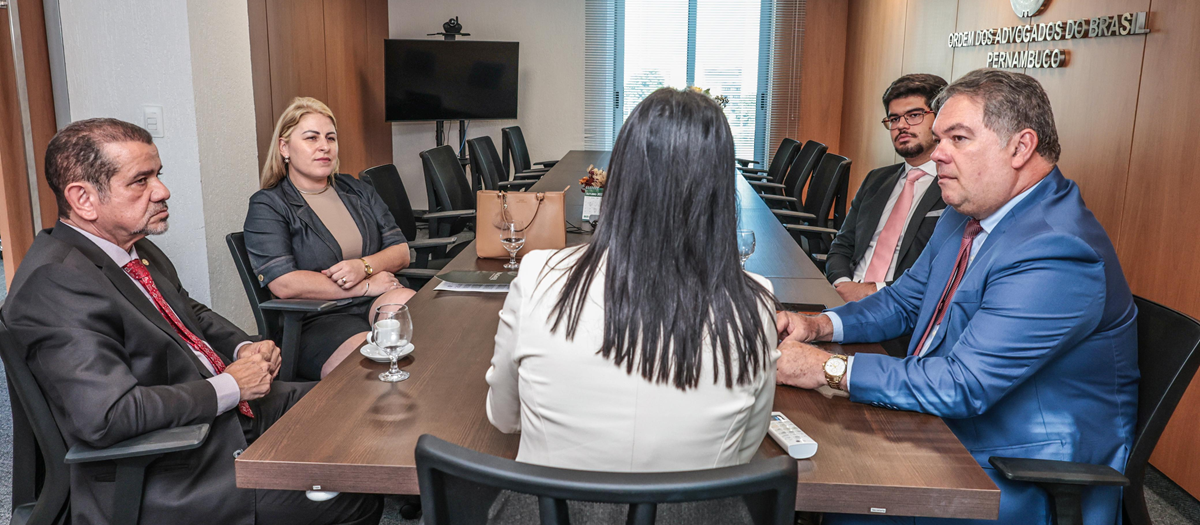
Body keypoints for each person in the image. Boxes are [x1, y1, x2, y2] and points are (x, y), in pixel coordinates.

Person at [775, 69, 1138, 525]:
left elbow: (964, 384)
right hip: (946, 421)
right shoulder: (967, 210)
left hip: (1015, 467)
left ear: (1021, 147)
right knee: (801, 455)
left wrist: (827, 368)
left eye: (958, 139)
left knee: (830, 486)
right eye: (940, 137)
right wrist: (816, 325)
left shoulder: (1057, 250)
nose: (937, 153)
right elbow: (904, 301)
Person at [3, 118, 380, 525]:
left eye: (158, 175)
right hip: (170, 469)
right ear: (83, 199)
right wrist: (231, 386)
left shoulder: (134, 247)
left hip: (218, 417)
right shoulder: (55, 283)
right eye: (141, 181)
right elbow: (108, 416)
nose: (162, 191)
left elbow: (190, 311)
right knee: (355, 494)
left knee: (350, 405)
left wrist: (244, 347)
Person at [486, 87, 780, 473]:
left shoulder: (537, 276)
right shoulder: (754, 304)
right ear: (721, 190)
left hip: (551, 505)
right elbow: (744, 449)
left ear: (620, 175)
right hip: (693, 507)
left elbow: (503, 417)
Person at [244, 97, 416, 380]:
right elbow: (284, 283)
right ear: (284, 147)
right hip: (318, 318)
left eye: (330, 138)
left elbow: (401, 251)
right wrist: (364, 286)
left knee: (423, 326)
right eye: (311, 138)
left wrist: (363, 266)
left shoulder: (356, 189)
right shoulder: (268, 205)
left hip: (376, 297)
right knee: (370, 371)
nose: (324, 146)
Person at [826, 74, 947, 305]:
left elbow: (942, 272)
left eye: (914, 115)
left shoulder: (955, 189)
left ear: (941, 119)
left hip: (901, 306)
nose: (901, 125)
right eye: (894, 118)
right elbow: (842, 245)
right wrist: (842, 284)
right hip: (843, 299)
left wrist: (872, 291)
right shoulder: (876, 179)